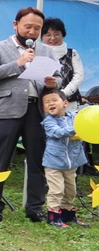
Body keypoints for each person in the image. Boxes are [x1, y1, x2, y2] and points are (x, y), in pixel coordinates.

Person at [0, 7, 49, 223]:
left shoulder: (46, 51)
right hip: (8, 108)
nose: (31, 31)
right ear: (16, 25)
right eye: (27, 26)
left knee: (37, 160)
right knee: (0, 159)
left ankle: (35, 207)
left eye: (36, 28)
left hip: (36, 109)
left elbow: (54, 78)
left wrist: (53, 83)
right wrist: (18, 63)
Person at [40, 90, 88, 228]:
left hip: (72, 163)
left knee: (70, 190)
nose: (50, 103)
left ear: (65, 103)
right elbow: (57, 132)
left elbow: (86, 127)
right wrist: (77, 129)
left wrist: (83, 128)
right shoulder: (48, 121)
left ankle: (68, 215)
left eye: (54, 100)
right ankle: (53, 216)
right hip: (54, 163)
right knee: (56, 190)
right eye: (46, 102)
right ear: (44, 108)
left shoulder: (76, 117)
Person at [41, 18, 85, 111]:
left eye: (56, 34)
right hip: (45, 104)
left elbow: (79, 76)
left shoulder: (72, 53)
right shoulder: (38, 54)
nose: (53, 38)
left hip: (69, 103)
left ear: (63, 34)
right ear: (41, 37)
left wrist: (64, 93)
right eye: (48, 35)